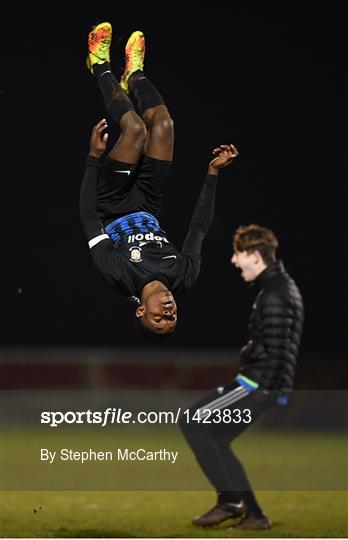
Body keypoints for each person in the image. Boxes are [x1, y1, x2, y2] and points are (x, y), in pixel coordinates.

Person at [80, 22, 238, 338]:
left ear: (140, 311)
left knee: (136, 131)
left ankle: (99, 65)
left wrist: (94, 158)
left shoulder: (118, 274)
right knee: (164, 125)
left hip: (112, 200)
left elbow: (88, 216)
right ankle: (134, 76)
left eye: (158, 321)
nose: (167, 314)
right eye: (172, 320)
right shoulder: (183, 276)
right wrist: (213, 172)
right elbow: (199, 228)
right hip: (149, 200)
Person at [180, 224, 304, 530]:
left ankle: (230, 501)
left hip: (255, 383)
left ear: (255, 255)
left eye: (237, 253)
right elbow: (278, 344)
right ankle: (255, 515)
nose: (234, 261)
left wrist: (252, 359)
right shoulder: (279, 288)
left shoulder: (276, 293)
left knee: (192, 420)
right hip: (263, 383)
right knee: (218, 440)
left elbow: (276, 350)